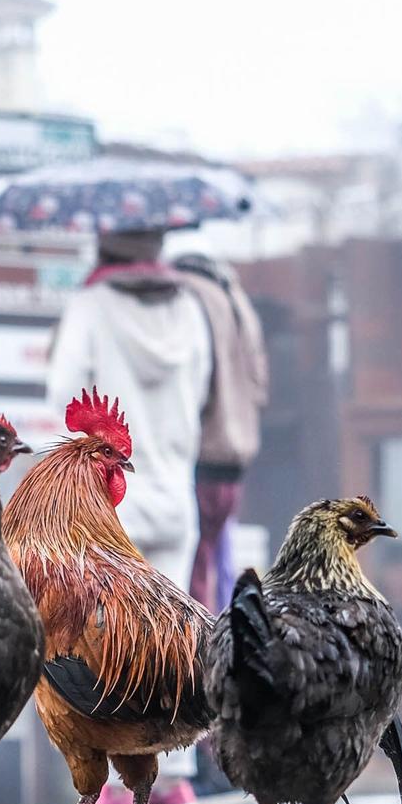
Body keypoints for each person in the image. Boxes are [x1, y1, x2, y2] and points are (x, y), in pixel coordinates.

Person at [46, 227, 214, 804]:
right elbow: (200, 393)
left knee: (109, 636)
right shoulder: (191, 307)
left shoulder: (92, 306)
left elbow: (62, 389)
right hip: (174, 486)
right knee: (177, 632)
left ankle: (121, 774)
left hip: (110, 495)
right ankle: (177, 782)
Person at [172, 252, 269, 615]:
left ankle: (197, 663)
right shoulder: (236, 298)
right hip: (234, 459)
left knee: (192, 576)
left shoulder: (189, 297)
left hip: (202, 456)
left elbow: (192, 385)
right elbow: (260, 386)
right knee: (217, 566)